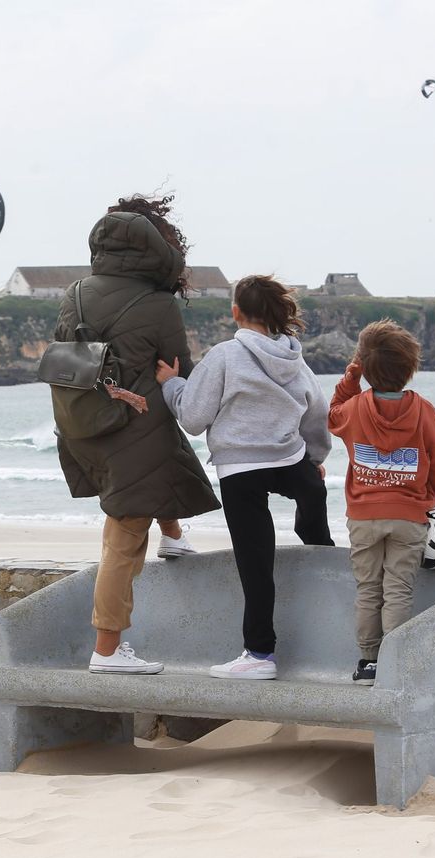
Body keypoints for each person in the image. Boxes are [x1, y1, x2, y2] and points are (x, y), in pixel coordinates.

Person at [54, 195, 220, 675]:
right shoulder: (159, 304)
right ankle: (107, 650)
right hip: (134, 422)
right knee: (124, 538)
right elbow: (177, 371)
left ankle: (172, 533)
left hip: (83, 422)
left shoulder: (75, 292)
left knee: (163, 458)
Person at [155, 275, 333, 680]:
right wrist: (316, 458)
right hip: (290, 458)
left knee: (256, 567)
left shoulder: (224, 355)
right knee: (314, 503)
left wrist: (172, 385)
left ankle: (259, 656)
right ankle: (323, 555)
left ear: (235, 312)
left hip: (240, 471)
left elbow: (194, 418)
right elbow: (316, 414)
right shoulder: (295, 359)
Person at [327, 320, 435, 685]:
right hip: (409, 516)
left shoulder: (354, 408)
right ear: (411, 368)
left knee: (369, 589)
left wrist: (350, 379)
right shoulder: (423, 410)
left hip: (364, 516)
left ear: (364, 367)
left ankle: (368, 661)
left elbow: (332, 413)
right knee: (398, 588)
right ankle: (393, 661)